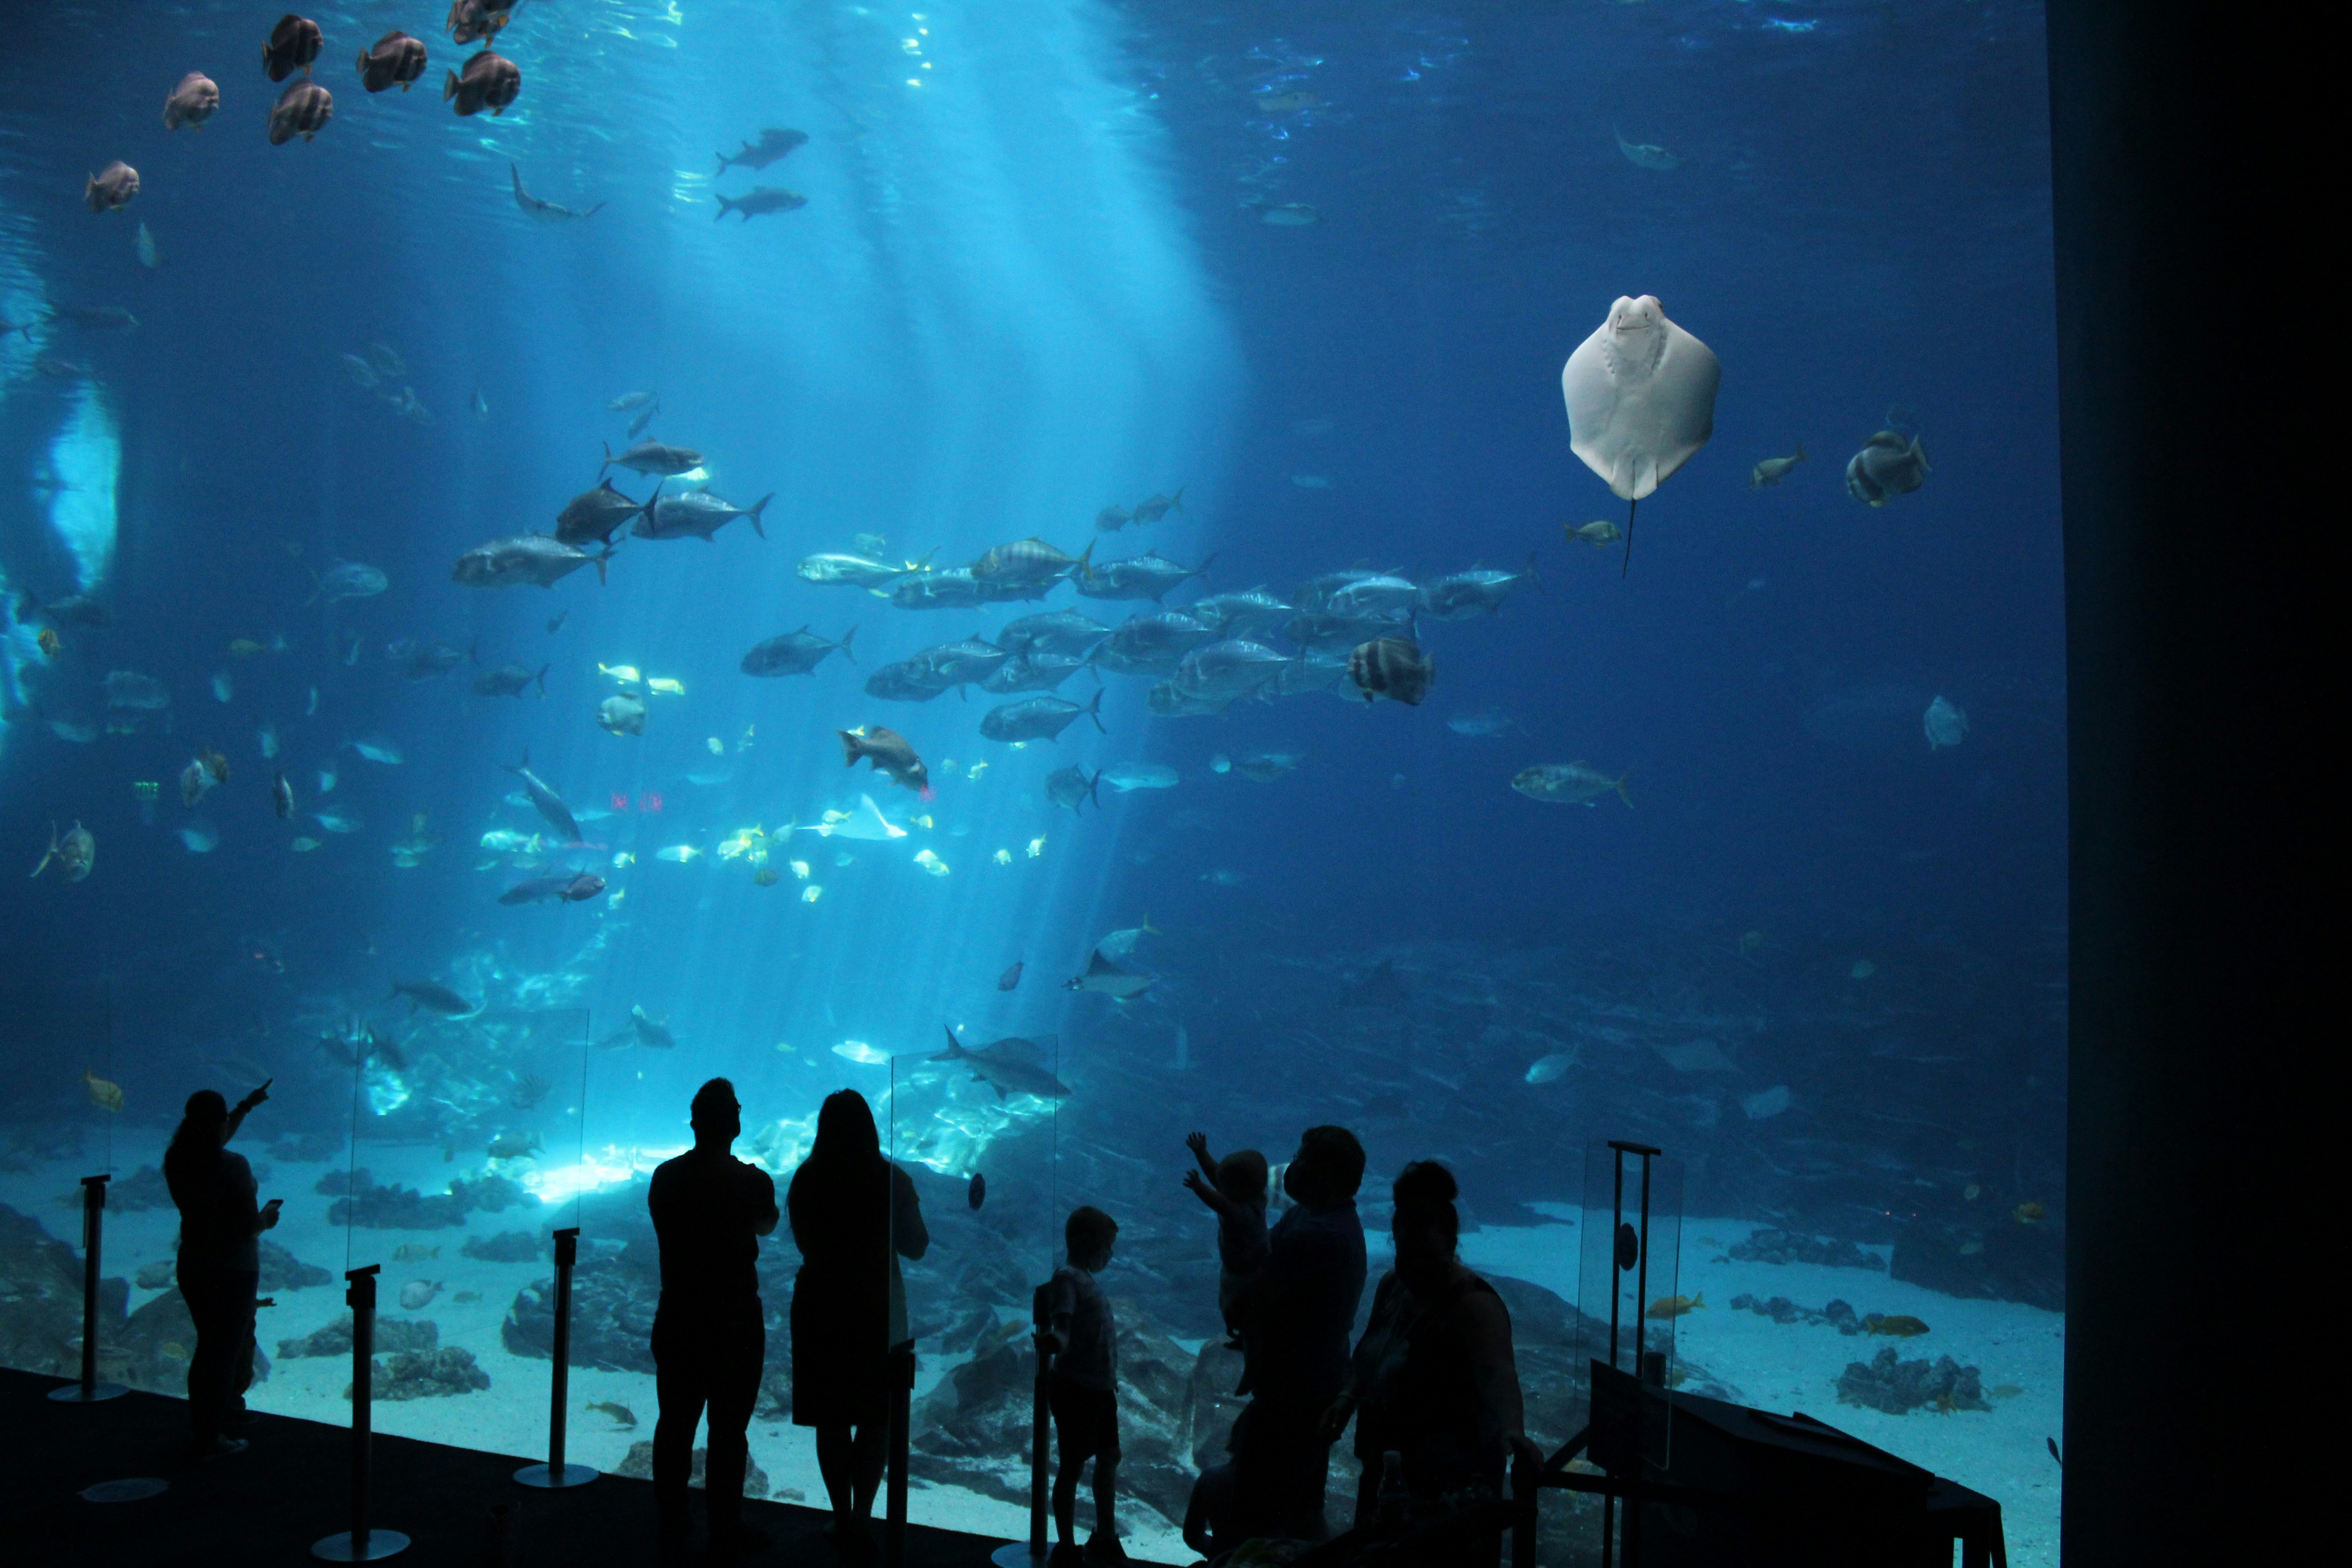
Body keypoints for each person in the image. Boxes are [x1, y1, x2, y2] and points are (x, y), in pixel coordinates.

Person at [1322, 1161, 1539, 1537]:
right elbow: (1371, 1349)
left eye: (1427, 1256)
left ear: (1452, 1244)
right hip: (1386, 1467)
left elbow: (1498, 1374)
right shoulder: (1393, 1286)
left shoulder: (1474, 1304)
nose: (1414, 1267)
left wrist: (1513, 1429)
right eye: (1405, 1254)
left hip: (1451, 1484)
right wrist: (1346, 1398)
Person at [788, 1090, 929, 1558]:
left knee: (831, 1417)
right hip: (877, 1309)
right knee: (876, 1418)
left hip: (821, 1306)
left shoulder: (807, 1179)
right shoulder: (892, 1179)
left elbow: (805, 1242)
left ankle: (842, 1516)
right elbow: (917, 1246)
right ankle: (864, 1516)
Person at [649, 1078, 780, 1558]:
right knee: (729, 1431)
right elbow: (767, 1223)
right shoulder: (752, 1181)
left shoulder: (665, 1177)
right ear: (736, 1124)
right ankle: (725, 1527)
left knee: (675, 1423)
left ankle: (672, 1521)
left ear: (693, 1123)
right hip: (735, 1322)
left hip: (679, 1315)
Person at [1226, 1124, 1368, 1543]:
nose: (1295, 1164)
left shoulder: (1319, 1234)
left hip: (1297, 1394)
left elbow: (1253, 1293)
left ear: (1325, 1174)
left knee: (1257, 1510)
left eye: (1305, 1158)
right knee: (1303, 1508)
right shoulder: (1309, 1215)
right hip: (1304, 1385)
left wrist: (1240, 1307)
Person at [162, 1081, 280, 1458]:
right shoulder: (234, 1166)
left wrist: (246, 1106)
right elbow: (248, 1226)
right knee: (222, 1352)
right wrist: (267, 1218)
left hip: (195, 1263)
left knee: (214, 1345)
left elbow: (212, 1140)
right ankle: (209, 1436)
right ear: (218, 1123)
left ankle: (219, 1416)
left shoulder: (178, 1159)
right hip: (233, 1268)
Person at [1044, 1205, 1125, 1568]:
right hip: (1077, 1389)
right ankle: (1066, 1544)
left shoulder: (1086, 1278)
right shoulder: (1067, 1278)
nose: (1110, 1253)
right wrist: (1056, 1341)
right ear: (1084, 1242)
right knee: (1072, 1465)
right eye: (1107, 1246)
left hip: (1101, 1389)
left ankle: (1105, 1535)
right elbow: (1062, 1321)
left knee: (1109, 1457)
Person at [1181, 1131, 1270, 1359]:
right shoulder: (1245, 1194)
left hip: (1247, 1276)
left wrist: (1199, 1187)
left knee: (1246, 1315)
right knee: (1238, 1313)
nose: (1221, 1186)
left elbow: (1219, 1201)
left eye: (1226, 1185)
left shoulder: (1245, 1212)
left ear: (1241, 1189)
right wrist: (1202, 1153)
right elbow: (1219, 1177)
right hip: (1240, 1269)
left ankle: (1253, 1357)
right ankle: (1244, 1339)